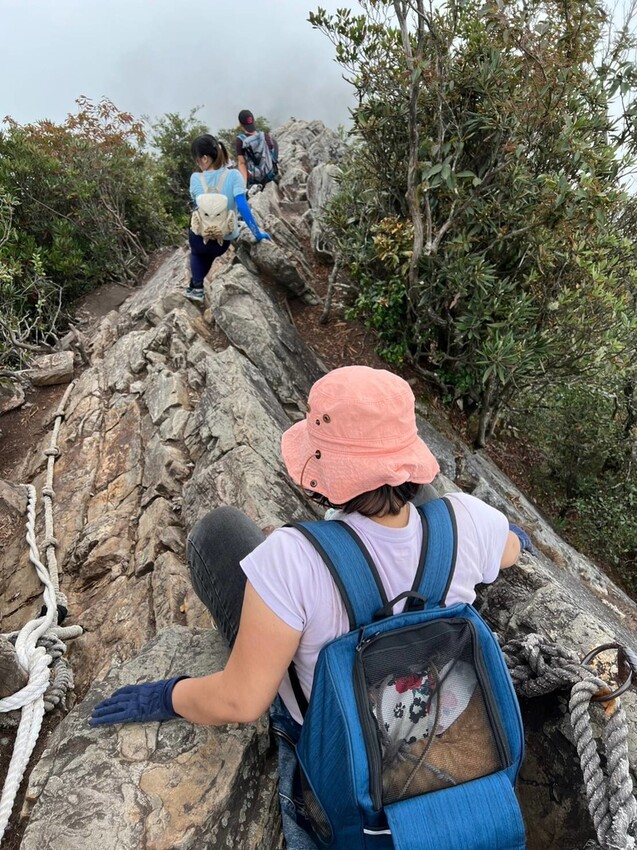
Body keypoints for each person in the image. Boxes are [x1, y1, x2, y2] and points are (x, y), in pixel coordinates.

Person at [90, 365, 530, 846]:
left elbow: (242, 701)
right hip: (436, 714)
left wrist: (167, 696)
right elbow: (511, 549)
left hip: (343, 740)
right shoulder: (468, 520)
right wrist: (510, 538)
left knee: (220, 532)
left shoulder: (291, 558)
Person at [186, 133, 270, 303]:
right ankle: (196, 286)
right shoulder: (234, 176)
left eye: (196, 159)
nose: (196, 163)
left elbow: (199, 205)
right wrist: (257, 233)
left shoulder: (195, 178)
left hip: (200, 238)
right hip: (222, 241)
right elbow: (242, 206)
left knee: (197, 253)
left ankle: (197, 287)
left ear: (204, 159)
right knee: (209, 255)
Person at [235, 109, 279, 189]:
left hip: (254, 180)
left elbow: (242, 163)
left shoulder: (240, 140)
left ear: (240, 124)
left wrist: (244, 186)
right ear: (253, 121)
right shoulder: (265, 136)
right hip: (269, 176)